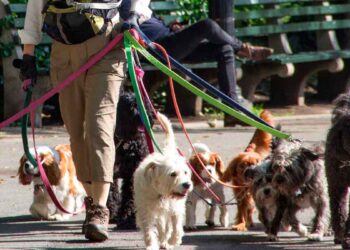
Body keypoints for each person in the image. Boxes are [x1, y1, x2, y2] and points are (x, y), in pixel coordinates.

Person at [18, 0, 150, 242]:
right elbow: (36, 5)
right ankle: (91, 202)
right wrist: (28, 55)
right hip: (64, 50)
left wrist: (132, 16)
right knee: (76, 133)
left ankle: (100, 209)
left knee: (99, 128)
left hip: (107, 44)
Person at [119, 0, 274, 127]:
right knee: (207, 25)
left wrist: (172, 27)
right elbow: (133, 27)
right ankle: (243, 49)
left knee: (224, 49)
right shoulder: (125, 5)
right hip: (158, 48)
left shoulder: (141, 4)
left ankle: (232, 111)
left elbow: (153, 25)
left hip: (170, 41)